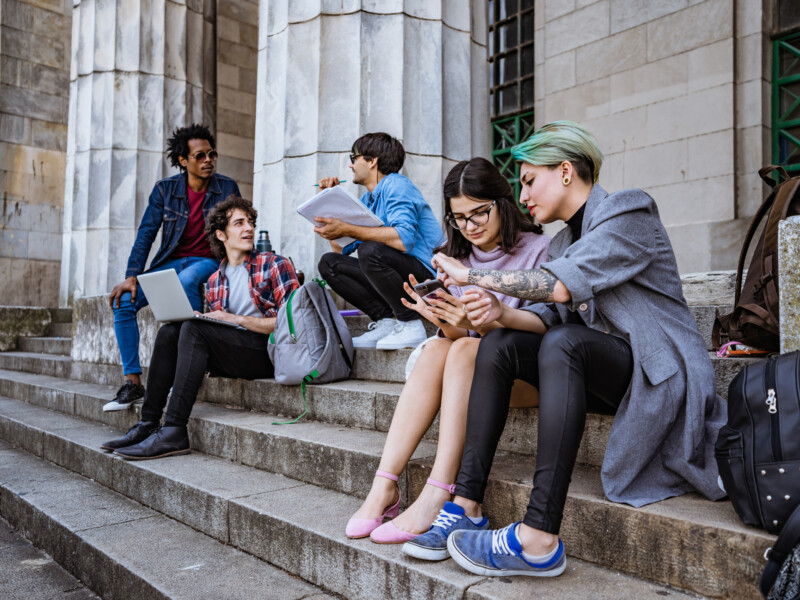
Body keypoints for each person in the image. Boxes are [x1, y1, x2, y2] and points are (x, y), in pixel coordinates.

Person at [419, 121, 727, 577]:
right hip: (606, 369)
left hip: (660, 370)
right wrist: (495, 314)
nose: (522, 197)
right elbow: (545, 319)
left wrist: (473, 276)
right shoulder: (563, 241)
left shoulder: (628, 211)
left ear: (565, 171)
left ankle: (539, 536)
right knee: (502, 343)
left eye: (529, 180)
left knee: (565, 344)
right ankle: (466, 502)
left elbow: (561, 289)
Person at [345, 158, 550, 555]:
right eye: (459, 218)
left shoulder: (539, 251)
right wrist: (444, 317)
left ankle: (440, 491)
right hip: (473, 373)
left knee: (467, 347)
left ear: (502, 203)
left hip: (528, 375)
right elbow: (460, 337)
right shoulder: (454, 258)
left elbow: (538, 332)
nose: (471, 226)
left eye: (479, 213)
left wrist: (473, 327)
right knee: (443, 344)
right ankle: (383, 485)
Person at [100, 196, 300, 460]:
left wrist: (234, 319)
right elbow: (218, 332)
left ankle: (173, 431)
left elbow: (294, 323)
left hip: (269, 351)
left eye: (250, 222)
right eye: (239, 223)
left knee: (194, 330)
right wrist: (206, 320)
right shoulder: (216, 279)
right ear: (221, 234)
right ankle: (148, 424)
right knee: (171, 331)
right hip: (235, 353)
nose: (248, 228)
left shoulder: (275, 264)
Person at [104, 124, 241, 412]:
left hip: (209, 261)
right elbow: (146, 234)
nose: (208, 160)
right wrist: (132, 277)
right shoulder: (165, 190)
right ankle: (133, 383)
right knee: (124, 301)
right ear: (183, 160)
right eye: (200, 155)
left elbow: (240, 228)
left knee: (189, 278)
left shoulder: (226, 188)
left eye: (211, 154)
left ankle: (188, 366)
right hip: (170, 262)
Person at [316, 132, 445, 350]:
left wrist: (350, 228)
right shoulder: (368, 199)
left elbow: (405, 240)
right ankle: (387, 320)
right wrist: (329, 202)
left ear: (372, 160)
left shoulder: (396, 185)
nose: (350, 165)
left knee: (370, 250)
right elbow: (340, 251)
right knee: (329, 263)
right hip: (404, 278)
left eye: (353, 158)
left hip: (429, 281)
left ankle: (410, 324)